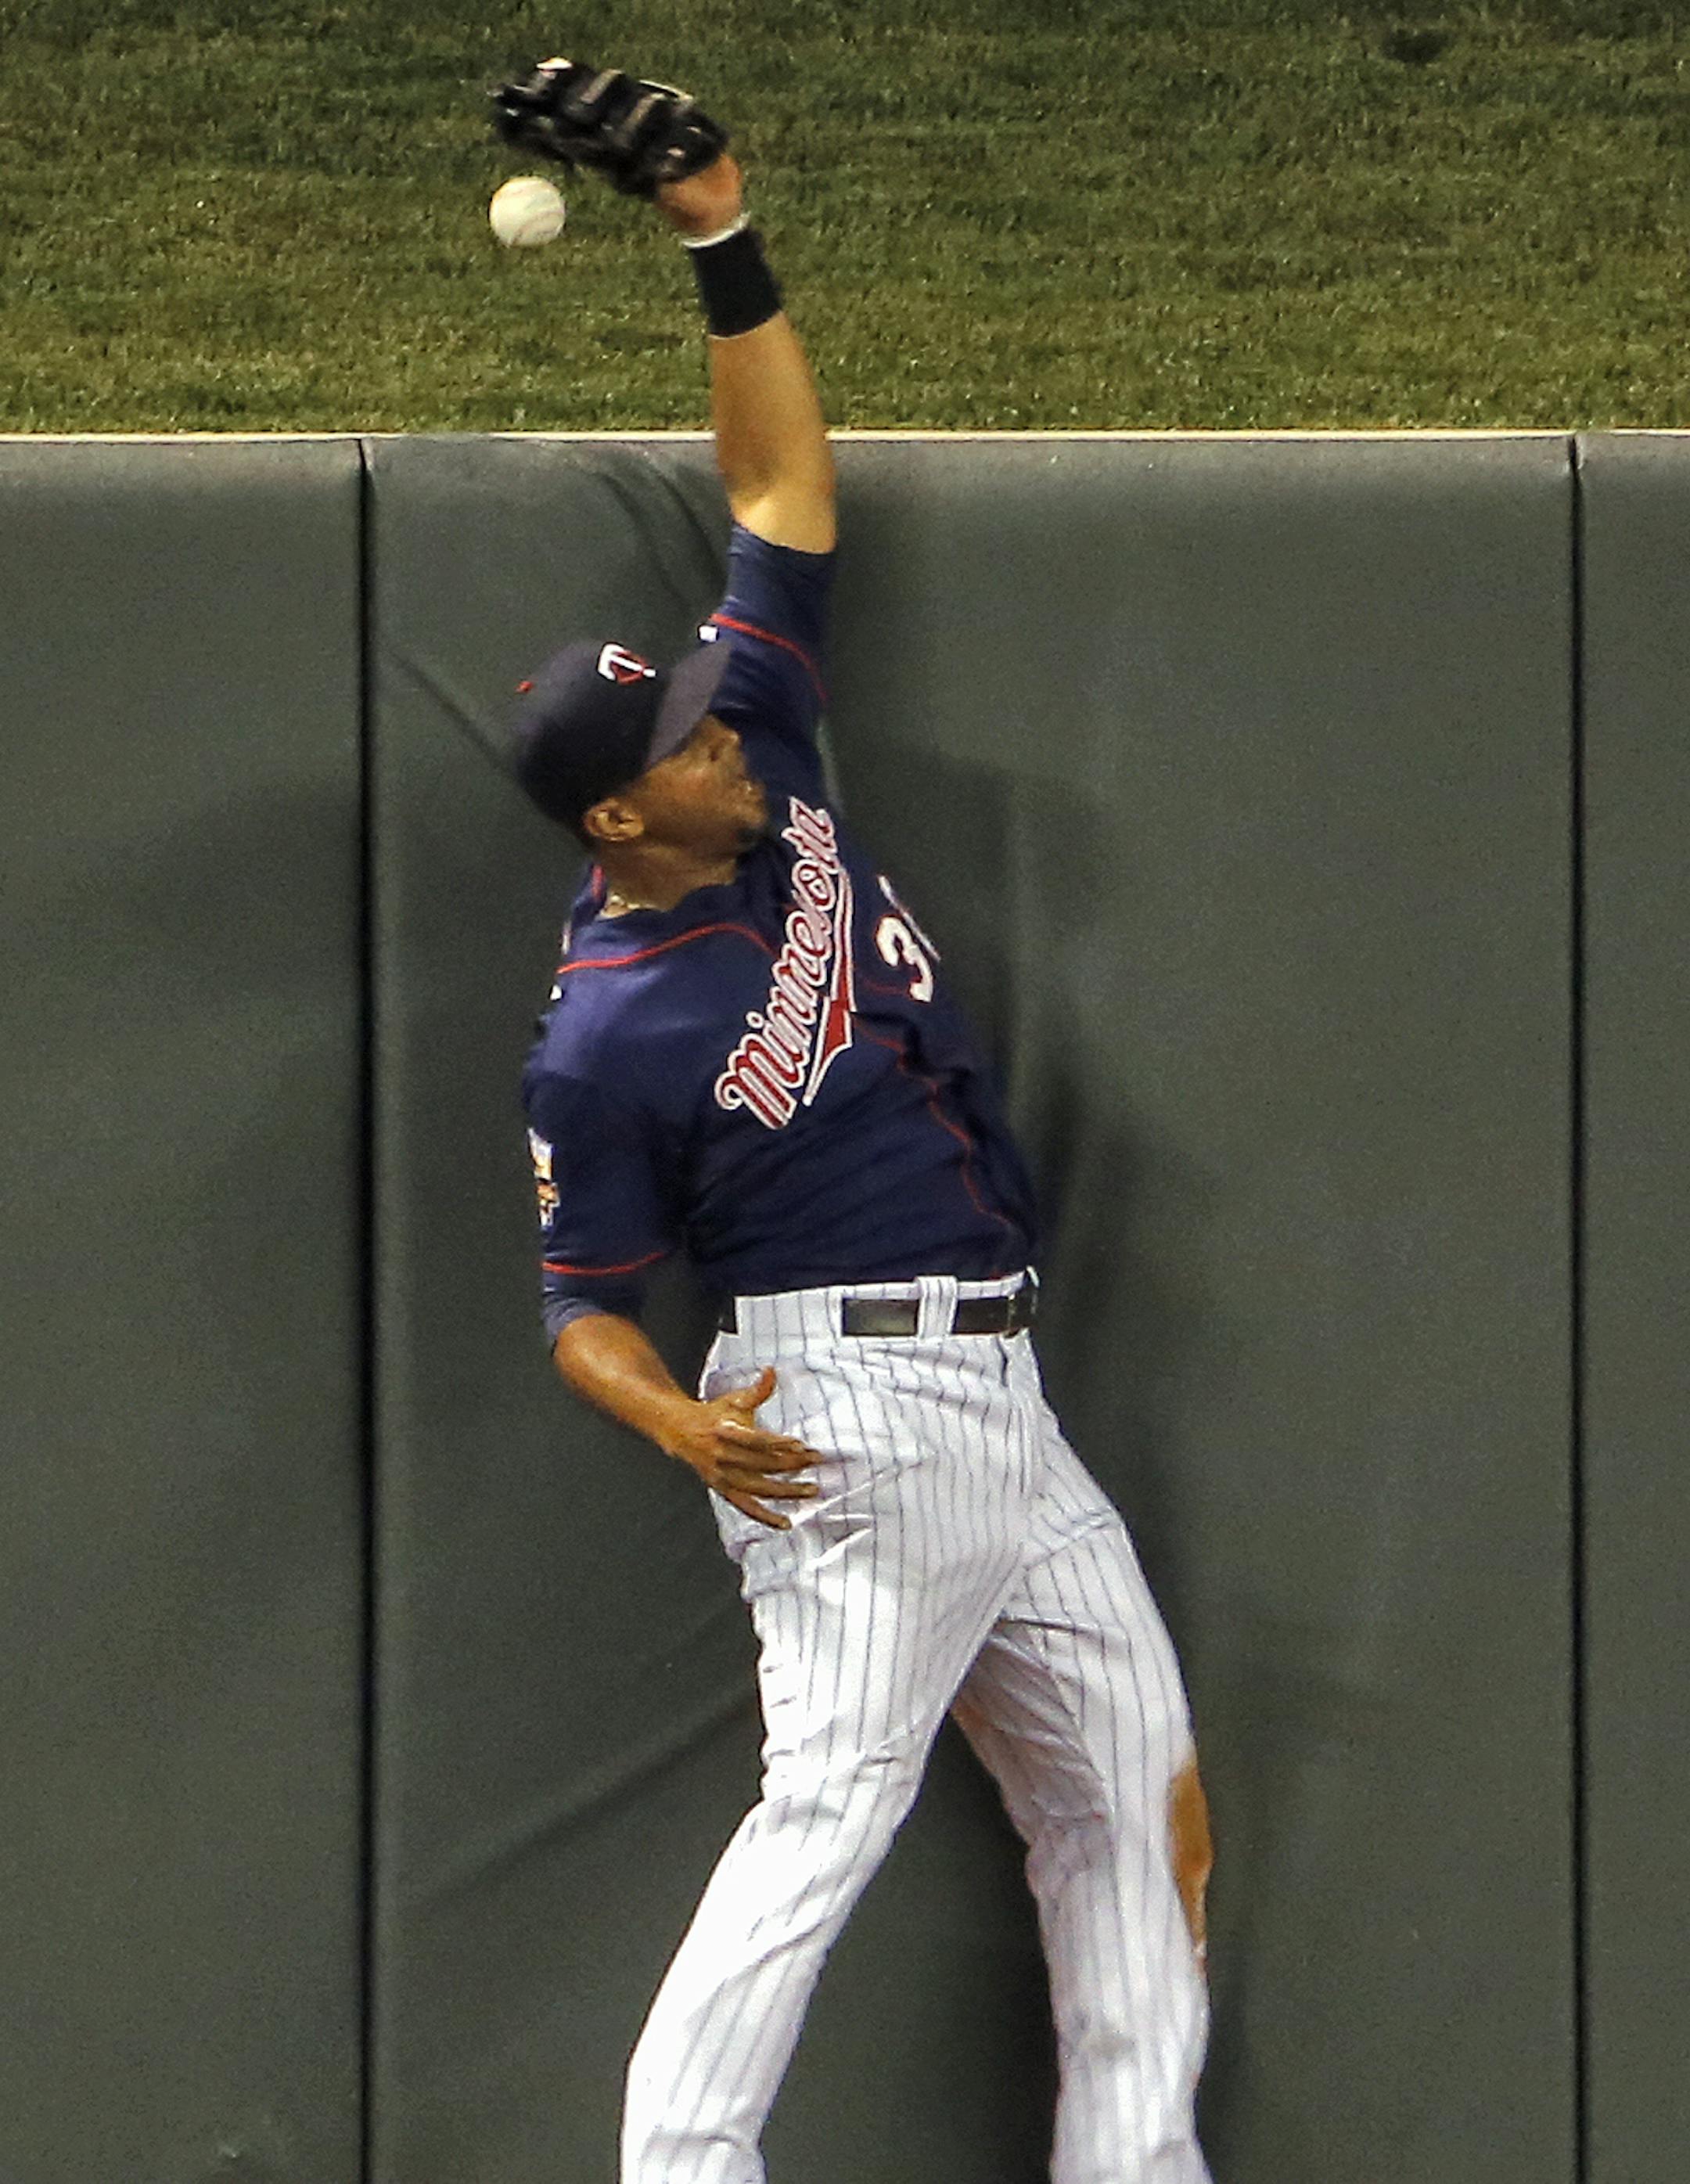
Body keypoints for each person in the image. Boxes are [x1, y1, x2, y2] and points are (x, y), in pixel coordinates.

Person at [505, 66, 1214, 2184]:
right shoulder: (604, 1034)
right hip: (837, 1421)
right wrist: (676, 1422)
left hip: (1001, 1395)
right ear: (626, 809)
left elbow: (785, 484)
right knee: (824, 1820)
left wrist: (717, 231)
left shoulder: (765, 751)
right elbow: (580, 1303)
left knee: (1139, 1794)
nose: (725, 725)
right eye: (685, 739)